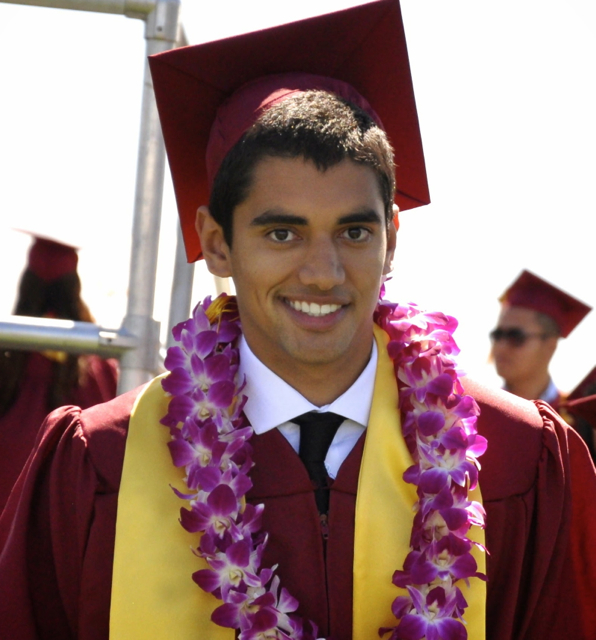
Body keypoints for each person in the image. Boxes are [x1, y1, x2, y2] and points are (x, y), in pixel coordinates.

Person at [1, 2, 595, 639]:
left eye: (354, 231)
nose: (323, 272)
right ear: (217, 241)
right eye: (282, 232)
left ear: (391, 237)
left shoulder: (516, 461)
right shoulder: (103, 466)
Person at [0, 235, 118, 512]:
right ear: (74, 290)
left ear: (26, 287)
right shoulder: (99, 369)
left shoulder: (5, 363)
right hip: (64, 532)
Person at [490, 269, 594, 454]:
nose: (501, 346)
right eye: (498, 335)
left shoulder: (579, 425)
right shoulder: (478, 416)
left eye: (516, 336)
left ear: (550, 344)